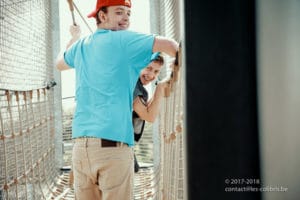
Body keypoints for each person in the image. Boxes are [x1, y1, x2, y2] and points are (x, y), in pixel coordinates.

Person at [56, 0, 178, 199]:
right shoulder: (124, 41)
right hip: (112, 148)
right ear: (102, 16)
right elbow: (170, 45)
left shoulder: (81, 46)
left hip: (80, 148)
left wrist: (74, 38)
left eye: (128, 14)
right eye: (119, 12)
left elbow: (60, 63)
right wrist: (172, 75)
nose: (126, 18)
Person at [132, 54, 166, 172]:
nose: (152, 75)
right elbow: (149, 116)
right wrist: (160, 89)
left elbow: (146, 108)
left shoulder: (141, 89)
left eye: (156, 71)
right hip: (114, 142)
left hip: (124, 142)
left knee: (134, 169)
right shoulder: (132, 84)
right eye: (148, 68)